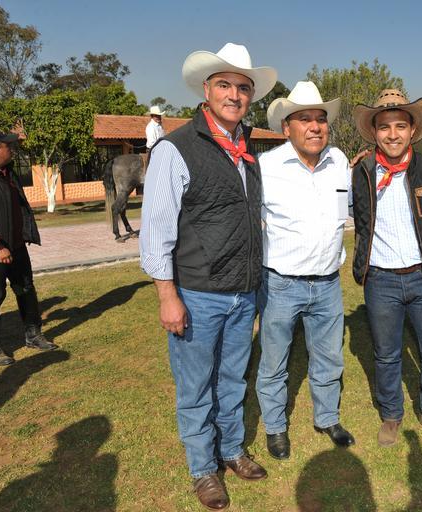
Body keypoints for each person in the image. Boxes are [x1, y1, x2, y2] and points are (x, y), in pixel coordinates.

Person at [139, 43, 276, 510]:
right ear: (206, 90)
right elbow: (156, 231)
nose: (234, 95)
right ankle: (203, 468)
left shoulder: (246, 148)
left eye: (243, 87)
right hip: (197, 292)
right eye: (224, 85)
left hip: (243, 291)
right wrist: (167, 295)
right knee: (196, 387)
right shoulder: (174, 148)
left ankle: (231, 448)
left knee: (233, 378)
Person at [256, 81, 355, 461]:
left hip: (328, 283)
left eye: (320, 119)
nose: (315, 126)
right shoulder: (266, 167)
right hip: (280, 284)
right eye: (304, 119)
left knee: (329, 358)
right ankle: (275, 427)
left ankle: (327, 418)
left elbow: (341, 214)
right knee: (274, 362)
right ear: (286, 127)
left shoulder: (339, 162)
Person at [350, 89, 422, 447]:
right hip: (381, 280)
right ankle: (391, 414)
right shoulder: (359, 173)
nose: (392, 134)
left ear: (412, 130)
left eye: (400, 126)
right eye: (384, 127)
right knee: (386, 354)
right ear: (374, 132)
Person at [0, 128, 58, 366]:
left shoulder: (6, 171)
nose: (12, 149)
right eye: (7, 145)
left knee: (25, 288)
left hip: (16, 245)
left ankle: (33, 335)